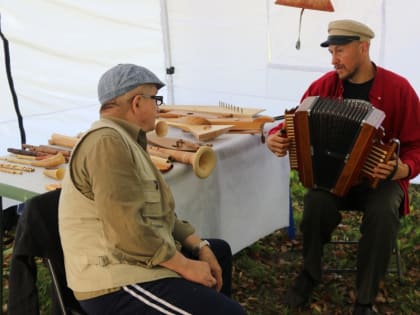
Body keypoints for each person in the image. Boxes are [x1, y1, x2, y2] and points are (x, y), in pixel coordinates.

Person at [58, 63, 247, 315]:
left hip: (139, 258)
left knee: (217, 251)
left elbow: (161, 213)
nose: (159, 107)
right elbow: (127, 231)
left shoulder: (126, 140)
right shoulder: (107, 143)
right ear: (137, 103)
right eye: (155, 99)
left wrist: (199, 245)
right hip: (115, 279)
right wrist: (185, 266)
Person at [266, 19, 420, 315]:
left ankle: (365, 297)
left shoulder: (398, 88)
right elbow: (293, 124)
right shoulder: (323, 86)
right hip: (333, 181)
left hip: (381, 182)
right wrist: (274, 138)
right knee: (314, 203)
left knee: (383, 211)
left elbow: (417, 145)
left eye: (340, 51)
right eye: (331, 52)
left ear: (363, 47)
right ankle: (310, 274)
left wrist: (401, 170)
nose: (334, 60)